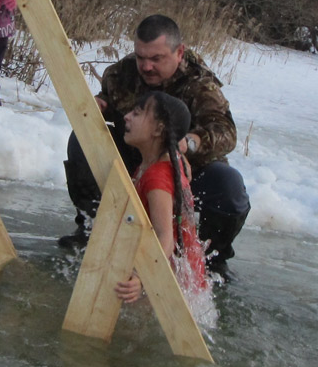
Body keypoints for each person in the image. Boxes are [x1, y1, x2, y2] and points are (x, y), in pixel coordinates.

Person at [62, 13, 250, 269]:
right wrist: (99, 105)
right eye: (141, 57)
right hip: (135, 158)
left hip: (186, 169)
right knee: (84, 139)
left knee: (229, 186)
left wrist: (188, 143)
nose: (147, 66)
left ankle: (212, 260)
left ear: (179, 52)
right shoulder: (122, 72)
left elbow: (225, 132)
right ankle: (91, 227)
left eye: (156, 59)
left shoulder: (200, 85)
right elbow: (109, 100)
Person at [113, 91, 209, 306]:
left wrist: (140, 278)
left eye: (137, 113)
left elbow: (165, 238)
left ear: (158, 130)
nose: (127, 117)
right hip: (183, 276)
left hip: (174, 285)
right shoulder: (161, 162)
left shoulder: (157, 178)